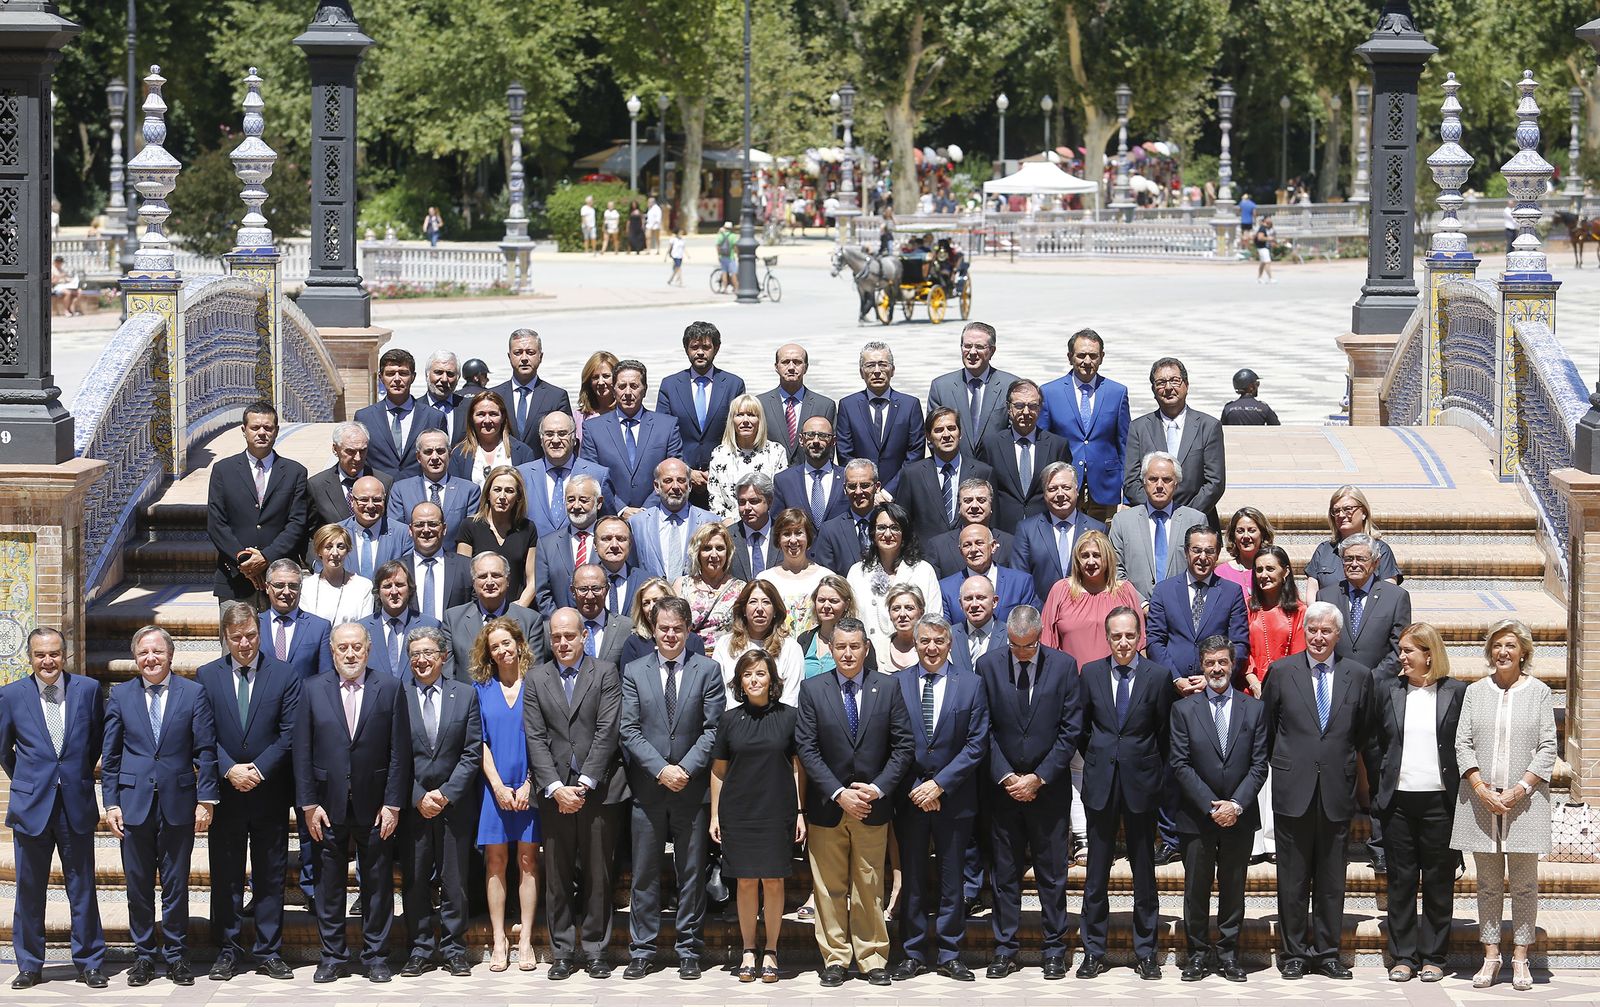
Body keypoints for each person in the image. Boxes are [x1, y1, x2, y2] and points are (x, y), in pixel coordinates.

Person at [795, 617, 914, 988]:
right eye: (841, 646)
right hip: (828, 806)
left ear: (866, 648)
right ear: (830, 650)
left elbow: (903, 746)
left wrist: (876, 790)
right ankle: (835, 958)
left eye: (855, 646)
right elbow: (807, 748)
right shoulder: (813, 689)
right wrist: (838, 793)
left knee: (868, 884)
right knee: (829, 888)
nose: (848, 653)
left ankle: (872, 957)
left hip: (871, 805)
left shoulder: (887, 687)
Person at [1262, 601, 1375, 980]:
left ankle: (1327, 952)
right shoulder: (1280, 673)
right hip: (1293, 789)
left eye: (1326, 631)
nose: (1318, 637)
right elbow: (1267, 729)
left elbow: (1364, 734)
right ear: (1304, 632)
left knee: (1331, 879)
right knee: (1292, 878)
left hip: (1335, 790)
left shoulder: (1358, 676)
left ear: (1338, 635)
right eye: (1312, 630)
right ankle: (1293, 952)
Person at [101, 626, 219, 988]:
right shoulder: (120, 696)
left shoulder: (193, 693)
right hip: (133, 804)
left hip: (178, 803)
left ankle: (177, 955)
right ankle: (143, 957)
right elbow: (111, 756)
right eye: (143, 653)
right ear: (136, 658)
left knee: (175, 884)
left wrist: (206, 799)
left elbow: (206, 751)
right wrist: (110, 804)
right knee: (137, 885)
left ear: (170, 655)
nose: (150, 659)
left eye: (157, 652)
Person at [294, 623, 411, 984]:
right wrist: (309, 805)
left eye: (357, 647)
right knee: (329, 886)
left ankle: (375, 955)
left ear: (368, 648)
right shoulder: (312, 689)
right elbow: (302, 751)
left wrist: (392, 804)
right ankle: (333, 956)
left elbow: (399, 752)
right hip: (327, 807)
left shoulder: (389, 688)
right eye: (343, 647)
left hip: (375, 805)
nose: (350, 654)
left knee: (377, 884)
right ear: (332, 651)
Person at [619, 598, 726, 979]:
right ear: (653, 629)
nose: (670, 635)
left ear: (688, 631)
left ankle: (689, 949)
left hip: (691, 788)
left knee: (692, 872)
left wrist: (685, 768)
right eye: (663, 628)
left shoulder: (708, 670)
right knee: (645, 873)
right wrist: (662, 769)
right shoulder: (634, 671)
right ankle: (643, 950)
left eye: (677, 629)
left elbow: (714, 730)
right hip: (649, 789)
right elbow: (628, 729)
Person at [522, 609, 629, 980]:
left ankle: (597, 949)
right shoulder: (536, 678)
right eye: (556, 637)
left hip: (597, 791)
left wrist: (583, 783)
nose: (563, 643)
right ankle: (563, 950)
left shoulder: (605, 673)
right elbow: (534, 736)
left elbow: (607, 730)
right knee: (558, 873)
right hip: (553, 794)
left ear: (584, 636)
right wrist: (554, 787)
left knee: (599, 873)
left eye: (570, 636)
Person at [1452, 619, 1556, 992]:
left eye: (1510, 645)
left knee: (1525, 886)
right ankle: (1491, 955)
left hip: (1525, 803)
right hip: (1481, 802)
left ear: (1523, 651)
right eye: (1497, 646)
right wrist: (1480, 787)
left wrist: (1519, 790)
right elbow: (1462, 743)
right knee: (1488, 886)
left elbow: (1548, 747)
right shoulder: (1475, 691)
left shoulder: (1540, 692)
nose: (1503, 652)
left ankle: (1521, 958)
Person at [1, 628, 108, 990]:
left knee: (82, 887)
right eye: (40, 655)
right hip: (32, 806)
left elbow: (96, 742)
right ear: (29, 658)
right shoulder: (11, 695)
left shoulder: (89, 690)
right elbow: (4, 751)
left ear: (65, 655)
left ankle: (90, 962)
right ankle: (30, 964)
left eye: (54, 654)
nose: (48, 662)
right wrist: (31, 782)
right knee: (29, 889)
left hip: (75, 803)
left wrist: (71, 776)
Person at [198, 602, 299, 982]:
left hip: (268, 791)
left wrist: (257, 769)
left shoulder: (284, 675)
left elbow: (289, 733)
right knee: (226, 874)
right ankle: (227, 949)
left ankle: (269, 949)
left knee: (270, 875)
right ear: (225, 637)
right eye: (236, 637)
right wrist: (228, 769)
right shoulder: (207, 676)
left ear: (261, 634)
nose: (244, 643)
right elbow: (203, 734)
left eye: (251, 635)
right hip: (225, 794)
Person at [977, 606, 1080, 978]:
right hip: (1002, 793)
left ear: (1041, 637)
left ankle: (1054, 948)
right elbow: (982, 730)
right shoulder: (988, 667)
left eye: (1028, 645)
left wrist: (1038, 778)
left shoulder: (1064, 667)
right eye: (1015, 645)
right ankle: (1005, 949)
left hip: (1048, 792)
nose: (1021, 652)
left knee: (1052, 875)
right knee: (1004, 875)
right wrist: (1006, 776)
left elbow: (1070, 730)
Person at [890, 615, 989, 982]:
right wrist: (920, 787)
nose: (932, 648)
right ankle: (912, 953)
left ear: (950, 644)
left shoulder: (972, 684)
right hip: (911, 796)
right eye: (925, 641)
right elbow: (893, 742)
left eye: (939, 641)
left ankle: (950, 953)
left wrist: (940, 784)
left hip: (955, 798)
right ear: (915, 644)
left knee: (953, 879)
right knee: (913, 878)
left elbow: (976, 743)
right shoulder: (895, 684)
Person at [1076, 606, 1173, 980]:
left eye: (1130, 635)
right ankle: (1093, 951)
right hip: (1101, 785)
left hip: (1142, 786)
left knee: (1144, 873)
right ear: (1107, 637)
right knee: (1096, 874)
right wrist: (1103, 759)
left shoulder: (1158, 676)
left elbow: (1164, 734)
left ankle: (1146, 951)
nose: (1123, 642)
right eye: (1116, 635)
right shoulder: (1091, 673)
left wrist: (1147, 769)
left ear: (1140, 636)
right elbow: (1083, 730)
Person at [1366, 622, 1466, 983]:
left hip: (1440, 803)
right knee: (1401, 882)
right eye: (1401, 650)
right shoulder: (1389, 690)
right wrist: (1380, 786)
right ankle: (1404, 956)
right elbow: (1375, 741)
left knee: (1439, 882)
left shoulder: (1456, 692)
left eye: (1409, 651)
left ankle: (1434, 956)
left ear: (1429, 654)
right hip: (1398, 802)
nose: (1401, 657)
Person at [1169, 635, 1268, 983]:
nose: (1216, 669)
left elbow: (1260, 765)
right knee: (1196, 889)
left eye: (1222, 662)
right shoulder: (1183, 710)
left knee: (1233, 888)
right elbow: (1180, 764)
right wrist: (1212, 806)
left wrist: (1236, 805)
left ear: (1233, 664)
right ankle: (1196, 955)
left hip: (1238, 817)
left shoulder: (1254, 709)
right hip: (1198, 817)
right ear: (1202, 665)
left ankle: (1228, 954)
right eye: (1210, 662)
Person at [711, 650, 805, 983]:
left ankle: (772, 951)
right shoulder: (728, 720)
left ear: (772, 679)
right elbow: (719, 771)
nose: (754, 679)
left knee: (775, 880)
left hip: (778, 809)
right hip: (738, 811)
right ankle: (748, 949)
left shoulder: (790, 717)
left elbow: (797, 767)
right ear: (739, 681)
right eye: (747, 674)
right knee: (747, 881)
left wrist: (799, 812)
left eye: (761, 673)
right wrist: (715, 816)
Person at [397, 626, 481, 979]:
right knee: (415, 880)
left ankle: (453, 947)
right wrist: (417, 795)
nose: (421, 659)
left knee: (455, 879)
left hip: (453, 806)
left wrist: (446, 794)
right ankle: (419, 948)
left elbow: (472, 751)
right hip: (413, 804)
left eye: (428, 652)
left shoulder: (464, 695)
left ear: (443, 657)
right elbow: (393, 755)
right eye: (415, 654)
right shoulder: (395, 695)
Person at [470, 619, 542, 972]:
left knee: (528, 861)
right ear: (489, 653)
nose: (502, 650)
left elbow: (543, 738)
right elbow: (479, 742)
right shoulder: (480, 689)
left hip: (532, 785)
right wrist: (498, 786)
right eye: (494, 646)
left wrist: (530, 783)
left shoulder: (537, 684)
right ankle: (499, 939)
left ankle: (525, 938)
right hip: (493, 787)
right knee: (495, 862)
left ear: (518, 643)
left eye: (507, 642)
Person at [206, 401, 310, 599]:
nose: (262, 432)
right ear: (244, 430)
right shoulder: (223, 470)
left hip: (281, 581)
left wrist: (266, 558)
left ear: (277, 431)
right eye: (255, 427)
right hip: (234, 578)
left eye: (268, 427)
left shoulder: (295, 472)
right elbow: (216, 523)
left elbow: (297, 524)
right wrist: (244, 561)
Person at [1038, 328, 1131, 524]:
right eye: (1081, 355)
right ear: (1070, 356)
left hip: (1106, 489)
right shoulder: (1050, 392)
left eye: (1093, 356)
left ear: (1102, 357)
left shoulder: (1117, 392)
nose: (1087, 361)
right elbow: (1044, 445)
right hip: (1064, 486)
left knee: (1103, 545)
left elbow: (1124, 444)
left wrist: (1127, 495)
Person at [1121, 357, 1226, 528]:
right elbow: (1131, 480)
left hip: (1197, 522)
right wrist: (1158, 510)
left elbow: (1215, 482)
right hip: (1152, 522)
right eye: (1161, 382)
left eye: (1174, 381)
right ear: (1153, 389)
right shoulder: (1138, 428)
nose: (1168, 387)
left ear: (1186, 385)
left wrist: (1185, 517)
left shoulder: (1208, 426)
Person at [1147, 525, 1250, 691]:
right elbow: (1155, 640)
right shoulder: (1163, 590)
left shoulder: (1232, 592)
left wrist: (1213, 678)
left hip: (1216, 688)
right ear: (1187, 552)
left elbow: (1239, 643)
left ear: (1217, 554)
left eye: (1209, 551)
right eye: (1196, 550)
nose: (1203, 557)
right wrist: (1175, 678)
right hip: (1171, 689)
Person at [657, 321, 748, 503]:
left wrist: (713, 471)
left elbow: (738, 433)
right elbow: (663, 434)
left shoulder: (733, 385)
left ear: (716, 348)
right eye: (694, 347)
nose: (700, 352)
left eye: (706, 347)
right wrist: (687, 471)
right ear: (686, 348)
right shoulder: (670, 385)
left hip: (722, 479)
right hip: (680, 481)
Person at [579, 358, 685, 513]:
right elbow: (591, 476)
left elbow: (675, 473)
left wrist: (646, 510)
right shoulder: (593, 428)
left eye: (634, 386)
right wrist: (622, 509)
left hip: (657, 515)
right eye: (622, 386)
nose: (627, 392)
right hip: (611, 518)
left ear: (645, 389)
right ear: (614, 390)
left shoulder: (667, 426)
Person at [1108, 452, 1206, 599]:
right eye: (1153, 479)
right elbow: (1115, 570)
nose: (1159, 485)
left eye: (1166, 480)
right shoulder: (1122, 522)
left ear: (1176, 484)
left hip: (1183, 609)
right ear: (1143, 482)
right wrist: (1141, 604)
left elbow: (1202, 569)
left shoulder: (1195, 520)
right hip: (1136, 612)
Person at [978, 379, 1072, 530]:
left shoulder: (1057, 445)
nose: (1026, 412)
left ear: (1040, 408)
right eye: (1019, 406)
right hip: (1003, 529)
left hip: (1045, 528)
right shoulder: (991, 445)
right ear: (1009, 408)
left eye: (1032, 406)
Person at [1041, 528, 1144, 664]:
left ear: (1107, 558)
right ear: (1077, 559)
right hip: (1071, 680)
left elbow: (1140, 643)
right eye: (1085, 556)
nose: (1090, 562)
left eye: (1096, 555)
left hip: (1115, 680)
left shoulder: (1125, 591)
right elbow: (1047, 641)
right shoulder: (1060, 590)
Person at [441, 551, 549, 679]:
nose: (490, 582)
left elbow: (534, 673)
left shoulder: (530, 620)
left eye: (496, 575)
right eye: (482, 577)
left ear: (507, 580)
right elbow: (448, 675)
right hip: (468, 697)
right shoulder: (453, 619)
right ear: (473, 582)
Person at [893, 408, 994, 543]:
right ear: (928, 436)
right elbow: (902, 523)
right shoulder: (912, 474)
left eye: (951, 428)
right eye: (939, 430)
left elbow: (994, 522)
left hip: (972, 555)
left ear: (960, 433)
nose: (946, 435)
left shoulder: (983, 472)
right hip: (926, 558)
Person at [1012, 462, 1108, 603]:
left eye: (1066, 488)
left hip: (1087, 613)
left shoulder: (1098, 529)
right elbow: (1020, 581)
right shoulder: (1027, 530)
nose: (1060, 494)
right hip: (1041, 616)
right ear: (1044, 494)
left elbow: (1104, 578)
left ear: (1077, 489)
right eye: (1052, 489)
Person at [835, 341, 926, 488]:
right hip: (861, 494)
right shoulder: (848, 406)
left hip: (900, 492)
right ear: (861, 372)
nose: (877, 371)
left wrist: (889, 491)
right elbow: (845, 454)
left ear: (893, 370)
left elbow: (915, 453)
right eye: (870, 365)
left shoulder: (910, 405)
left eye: (883, 364)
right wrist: (866, 488)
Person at [847, 502, 942, 639]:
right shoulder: (857, 572)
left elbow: (934, 619)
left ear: (904, 533)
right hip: (869, 654)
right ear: (873, 533)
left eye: (895, 528)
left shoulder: (923, 570)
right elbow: (851, 620)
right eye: (881, 528)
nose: (887, 534)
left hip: (912, 653)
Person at [926, 322, 1021, 455]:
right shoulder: (941, 387)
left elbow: (1017, 433)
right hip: (956, 470)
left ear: (992, 351)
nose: (972, 352)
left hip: (996, 471)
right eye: (967, 346)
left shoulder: (1010, 385)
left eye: (979, 347)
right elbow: (933, 435)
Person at [519, 411, 613, 540]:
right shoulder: (522, 475)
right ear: (541, 440)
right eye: (549, 434)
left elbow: (607, 523)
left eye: (562, 434)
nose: (556, 440)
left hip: (581, 556)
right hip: (535, 556)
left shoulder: (598, 474)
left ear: (574, 438)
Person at [356, 349, 447, 481]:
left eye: (403, 373)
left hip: (420, 495)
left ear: (413, 377)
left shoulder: (434, 417)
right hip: (379, 496)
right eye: (390, 373)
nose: (397, 379)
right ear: (381, 377)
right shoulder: (364, 417)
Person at [455, 466, 539, 608]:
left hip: (516, 609)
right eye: (497, 489)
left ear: (518, 497)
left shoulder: (527, 528)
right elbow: (464, 577)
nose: (502, 497)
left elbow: (533, 580)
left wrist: (517, 610)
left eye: (509, 491)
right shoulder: (469, 526)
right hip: (478, 610)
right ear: (488, 493)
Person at [715, 579, 805, 705]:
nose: (760, 609)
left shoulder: (791, 648)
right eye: (753, 602)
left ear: (775, 611)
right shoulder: (724, 645)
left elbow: (791, 698)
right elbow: (721, 694)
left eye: (766, 602)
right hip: (734, 720)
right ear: (743, 610)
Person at [935, 523, 1038, 627]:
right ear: (960, 552)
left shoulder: (1020, 583)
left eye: (979, 543)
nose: (973, 550)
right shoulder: (946, 588)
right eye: (967, 545)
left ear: (993, 546)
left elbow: (1030, 626)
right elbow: (944, 632)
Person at [1304, 485, 1403, 593]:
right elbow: (1312, 591)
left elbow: (1389, 593)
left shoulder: (1381, 549)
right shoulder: (1324, 550)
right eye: (1336, 511)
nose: (1341, 515)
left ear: (1364, 513)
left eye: (1348, 509)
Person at [706, 396, 789, 519]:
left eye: (751, 415)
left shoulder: (776, 452)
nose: (745, 420)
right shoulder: (719, 453)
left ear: (760, 420)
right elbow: (715, 498)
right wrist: (729, 523)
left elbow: (780, 496)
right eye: (739, 415)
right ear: (732, 420)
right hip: (730, 527)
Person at [388, 429, 481, 536]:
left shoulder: (469, 491)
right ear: (418, 457)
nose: (435, 457)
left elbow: (470, 535)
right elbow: (397, 533)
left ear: (449, 454)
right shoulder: (401, 490)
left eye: (440, 451)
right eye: (428, 452)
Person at [758, 343, 838, 466]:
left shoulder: (825, 406)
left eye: (797, 362)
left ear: (805, 367)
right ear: (776, 367)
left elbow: (829, 452)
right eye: (785, 362)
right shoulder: (760, 404)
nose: (791, 367)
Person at [492, 329, 574, 448]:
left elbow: (565, 438)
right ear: (509, 357)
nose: (524, 358)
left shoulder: (556, 397)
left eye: (530, 352)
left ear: (540, 356)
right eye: (518, 353)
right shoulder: (494, 396)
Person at [260, 559, 335, 684]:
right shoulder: (254, 625)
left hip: (303, 701)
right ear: (267, 587)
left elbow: (326, 679)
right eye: (279, 585)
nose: (286, 592)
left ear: (301, 588)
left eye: (293, 586)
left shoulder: (319, 628)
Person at [925, 477, 1019, 578]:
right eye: (968, 500)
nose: (974, 506)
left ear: (991, 506)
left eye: (981, 500)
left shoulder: (1010, 543)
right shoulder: (938, 547)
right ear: (959, 508)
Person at [306, 422, 393, 530]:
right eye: (350, 451)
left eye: (362, 451)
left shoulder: (384, 482)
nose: (357, 458)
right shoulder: (316, 486)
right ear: (335, 449)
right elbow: (311, 532)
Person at [757, 507, 828, 632]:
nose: (793, 540)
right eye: (786, 534)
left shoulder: (825, 577)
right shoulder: (765, 579)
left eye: (798, 533)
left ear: (808, 537)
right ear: (779, 540)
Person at [402, 503, 473, 625]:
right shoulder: (398, 569)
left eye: (433, 524)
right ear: (410, 530)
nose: (426, 530)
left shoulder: (466, 567)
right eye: (419, 525)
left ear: (444, 528)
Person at [449, 390, 536, 486]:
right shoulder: (459, 454)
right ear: (471, 418)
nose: (487, 420)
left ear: (503, 417)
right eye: (481, 414)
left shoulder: (523, 452)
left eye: (493, 414)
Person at [812, 458, 883, 573]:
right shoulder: (830, 531)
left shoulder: (890, 525)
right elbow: (827, 577)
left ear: (877, 487)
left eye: (865, 485)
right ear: (845, 489)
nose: (858, 492)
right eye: (852, 486)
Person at [619, 577, 708, 668]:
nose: (651, 607)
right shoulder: (634, 643)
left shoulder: (693, 641)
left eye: (656, 601)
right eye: (646, 603)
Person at [797, 575, 871, 678]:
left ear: (846, 604)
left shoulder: (859, 642)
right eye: (821, 600)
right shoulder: (804, 639)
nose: (826, 606)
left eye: (833, 601)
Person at [302, 523, 376, 625]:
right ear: (319, 551)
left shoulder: (363, 586)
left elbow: (364, 628)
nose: (335, 553)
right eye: (328, 547)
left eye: (341, 547)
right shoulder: (306, 586)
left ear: (347, 550)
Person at [1216, 506, 1273, 594]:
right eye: (1240, 531)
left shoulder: (1274, 570)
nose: (1246, 536)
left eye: (1252, 530)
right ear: (1233, 536)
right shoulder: (1221, 573)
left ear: (1263, 534)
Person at [575, 349, 620, 442]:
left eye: (606, 376)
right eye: (595, 377)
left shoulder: (626, 413)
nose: (600, 382)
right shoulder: (578, 417)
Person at [422, 350, 465, 444]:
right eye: (438, 372)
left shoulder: (469, 408)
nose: (444, 379)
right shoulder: (414, 409)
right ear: (427, 375)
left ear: (458, 378)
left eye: (450, 374)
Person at [716, 221, 737, 291]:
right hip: (730, 257)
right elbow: (735, 247)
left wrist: (719, 255)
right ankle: (736, 288)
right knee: (733, 273)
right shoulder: (733, 236)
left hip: (722, 256)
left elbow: (717, 246)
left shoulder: (720, 236)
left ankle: (724, 288)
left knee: (724, 272)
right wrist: (737, 253)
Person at [1254, 216, 1276, 283]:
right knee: (1267, 262)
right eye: (1269, 218)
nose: (1270, 220)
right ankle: (1270, 278)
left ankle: (1259, 278)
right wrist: (1268, 238)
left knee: (1263, 263)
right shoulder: (1262, 228)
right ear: (1265, 220)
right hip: (1263, 248)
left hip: (1264, 247)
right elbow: (1260, 238)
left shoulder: (1266, 228)